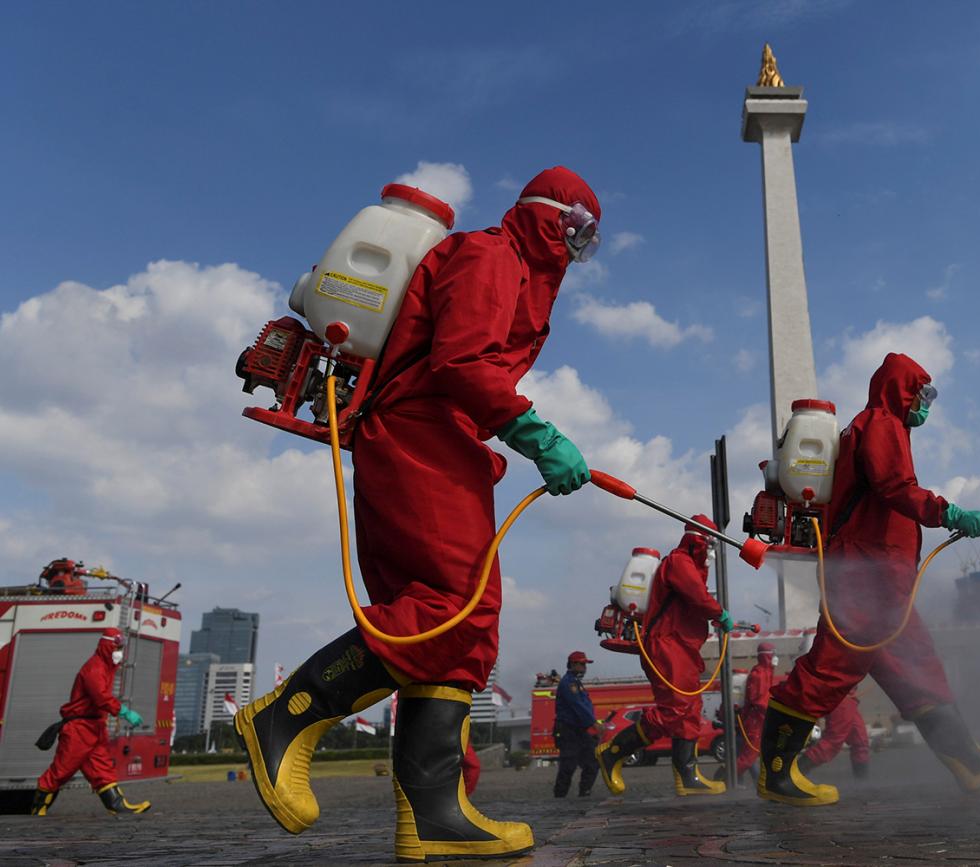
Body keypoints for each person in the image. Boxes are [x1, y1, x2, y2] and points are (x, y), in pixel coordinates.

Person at [235, 167, 601, 861]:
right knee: (452, 607)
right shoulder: (493, 256)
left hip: (435, 443)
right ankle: (285, 714)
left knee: (462, 624)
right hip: (420, 438)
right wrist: (536, 434)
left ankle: (434, 813)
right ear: (551, 219)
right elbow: (462, 362)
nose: (579, 254)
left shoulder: (514, 270)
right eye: (578, 234)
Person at [761, 352, 980, 807]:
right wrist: (950, 513)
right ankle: (777, 774)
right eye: (922, 393)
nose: (926, 404)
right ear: (902, 389)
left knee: (916, 667)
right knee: (831, 667)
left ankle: (968, 760)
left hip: (881, 576)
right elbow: (894, 486)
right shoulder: (880, 423)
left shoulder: (877, 426)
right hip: (868, 575)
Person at [596, 517, 732, 797]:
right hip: (667, 646)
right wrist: (719, 614)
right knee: (674, 709)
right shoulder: (680, 562)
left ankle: (688, 776)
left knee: (689, 711)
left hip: (681, 647)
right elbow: (696, 595)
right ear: (700, 540)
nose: (710, 552)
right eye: (709, 544)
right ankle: (612, 752)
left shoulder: (689, 565)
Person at [31, 628, 151, 816]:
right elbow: (100, 697)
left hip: (93, 727)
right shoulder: (94, 668)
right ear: (107, 645)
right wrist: (124, 712)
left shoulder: (104, 667)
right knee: (61, 770)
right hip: (79, 729)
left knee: (101, 767)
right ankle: (38, 809)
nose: (120, 652)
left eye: (121, 647)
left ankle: (117, 805)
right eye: (117, 647)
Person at [718, 641, 776, 784]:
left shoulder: (766, 672)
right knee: (748, 757)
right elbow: (757, 700)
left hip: (759, 721)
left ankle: (759, 782)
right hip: (755, 722)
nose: (776, 657)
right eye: (774, 654)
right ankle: (724, 778)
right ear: (767, 656)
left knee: (753, 755)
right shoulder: (759, 675)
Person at [553, 651, 598, 798]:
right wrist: (593, 723)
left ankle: (584, 794)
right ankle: (559, 798)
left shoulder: (576, 683)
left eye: (585, 664)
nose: (585, 667)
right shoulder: (568, 683)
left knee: (592, 762)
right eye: (582, 664)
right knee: (568, 766)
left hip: (580, 731)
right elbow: (578, 705)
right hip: (568, 730)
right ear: (573, 664)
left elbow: (584, 705)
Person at [800, 689, 871, 780]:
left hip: (847, 695)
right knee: (832, 741)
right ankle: (790, 775)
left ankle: (862, 782)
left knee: (860, 741)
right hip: (838, 692)